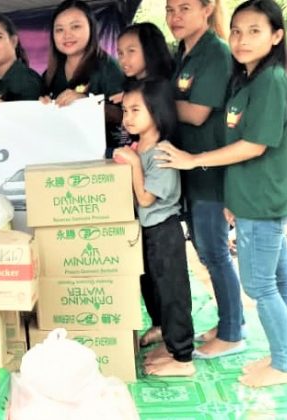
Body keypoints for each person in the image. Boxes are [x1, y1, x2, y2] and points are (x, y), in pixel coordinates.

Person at [158, 0, 287, 387]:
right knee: (280, 279)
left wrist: (193, 159)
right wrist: (233, 200)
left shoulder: (271, 81)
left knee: (261, 285)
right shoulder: (250, 77)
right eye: (237, 31)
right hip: (253, 195)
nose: (242, 40)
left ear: (277, 36)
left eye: (254, 31)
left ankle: (285, 364)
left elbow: (254, 145)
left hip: (262, 199)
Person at [165, 0, 245, 359]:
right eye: (170, 9)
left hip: (211, 169)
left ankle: (231, 334)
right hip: (191, 169)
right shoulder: (184, 53)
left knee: (214, 251)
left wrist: (152, 104)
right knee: (205, 249)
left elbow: (197, 113)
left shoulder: (215, 53)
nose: (175, 17)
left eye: (185, 8)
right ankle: (233, 320)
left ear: (207, 9)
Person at [113, 79, 195, 377]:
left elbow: (146, 198)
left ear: (157, 111)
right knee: (151, 285)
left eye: (136, 110)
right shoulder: (140, 147)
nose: (128, 117)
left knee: (172, 291)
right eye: (125, 110)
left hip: (164, 231)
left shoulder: (161, 152)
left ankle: (183, 357)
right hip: (146, 230)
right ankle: (162, 330)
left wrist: (134, 165)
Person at [41, 0, 125, 157]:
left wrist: (87, 104)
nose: (67, 35)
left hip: (104, 158)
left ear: (91, 28)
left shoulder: (108, 67)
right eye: (59, 29)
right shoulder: (51, 73)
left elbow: (125, 115)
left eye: (75, 26)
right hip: (63, 154)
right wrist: (43, 105)